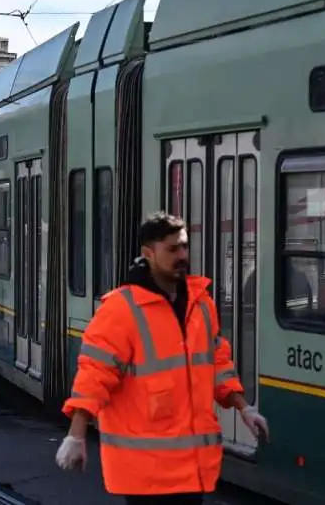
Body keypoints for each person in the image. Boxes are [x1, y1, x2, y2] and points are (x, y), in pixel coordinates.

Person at [55, 212, 269, 505]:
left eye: (184, 246)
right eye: (172, 249)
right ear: (148, 253)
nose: (182, 255)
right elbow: (95, 374)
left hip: (192, 471)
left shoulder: (201, 304)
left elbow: (217, 362)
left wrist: (243, 407)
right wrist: (76, 435)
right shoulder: (121, 309)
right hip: (147, 475)